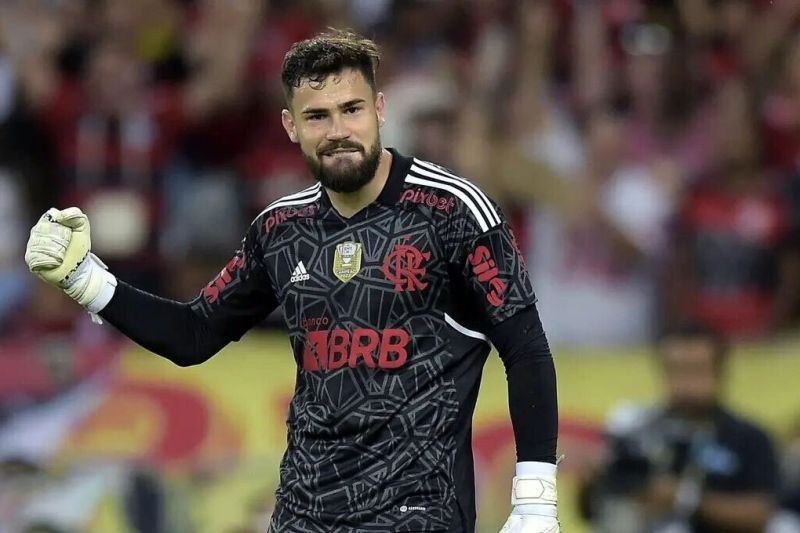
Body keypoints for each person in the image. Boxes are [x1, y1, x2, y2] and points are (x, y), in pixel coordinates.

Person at [24, 30, 559, 533]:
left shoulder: (453, 211)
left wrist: (536, 499)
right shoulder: (280, 229)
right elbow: (194, 334)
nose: (338, 131)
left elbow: (526, 347)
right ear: (290, 126)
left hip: (417, 514)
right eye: (317, 116)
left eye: (351, 110)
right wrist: (84, 279)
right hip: (303, 515)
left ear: (379, 110)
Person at [579, 322, 778, 533]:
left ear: (719, 371)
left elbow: (760, 516)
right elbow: (589, 511)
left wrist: (683, 499)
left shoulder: (748, 438)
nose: (686, 382)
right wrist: (593, 480)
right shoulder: (634, 429)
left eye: (696, 369)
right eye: (676, 369)